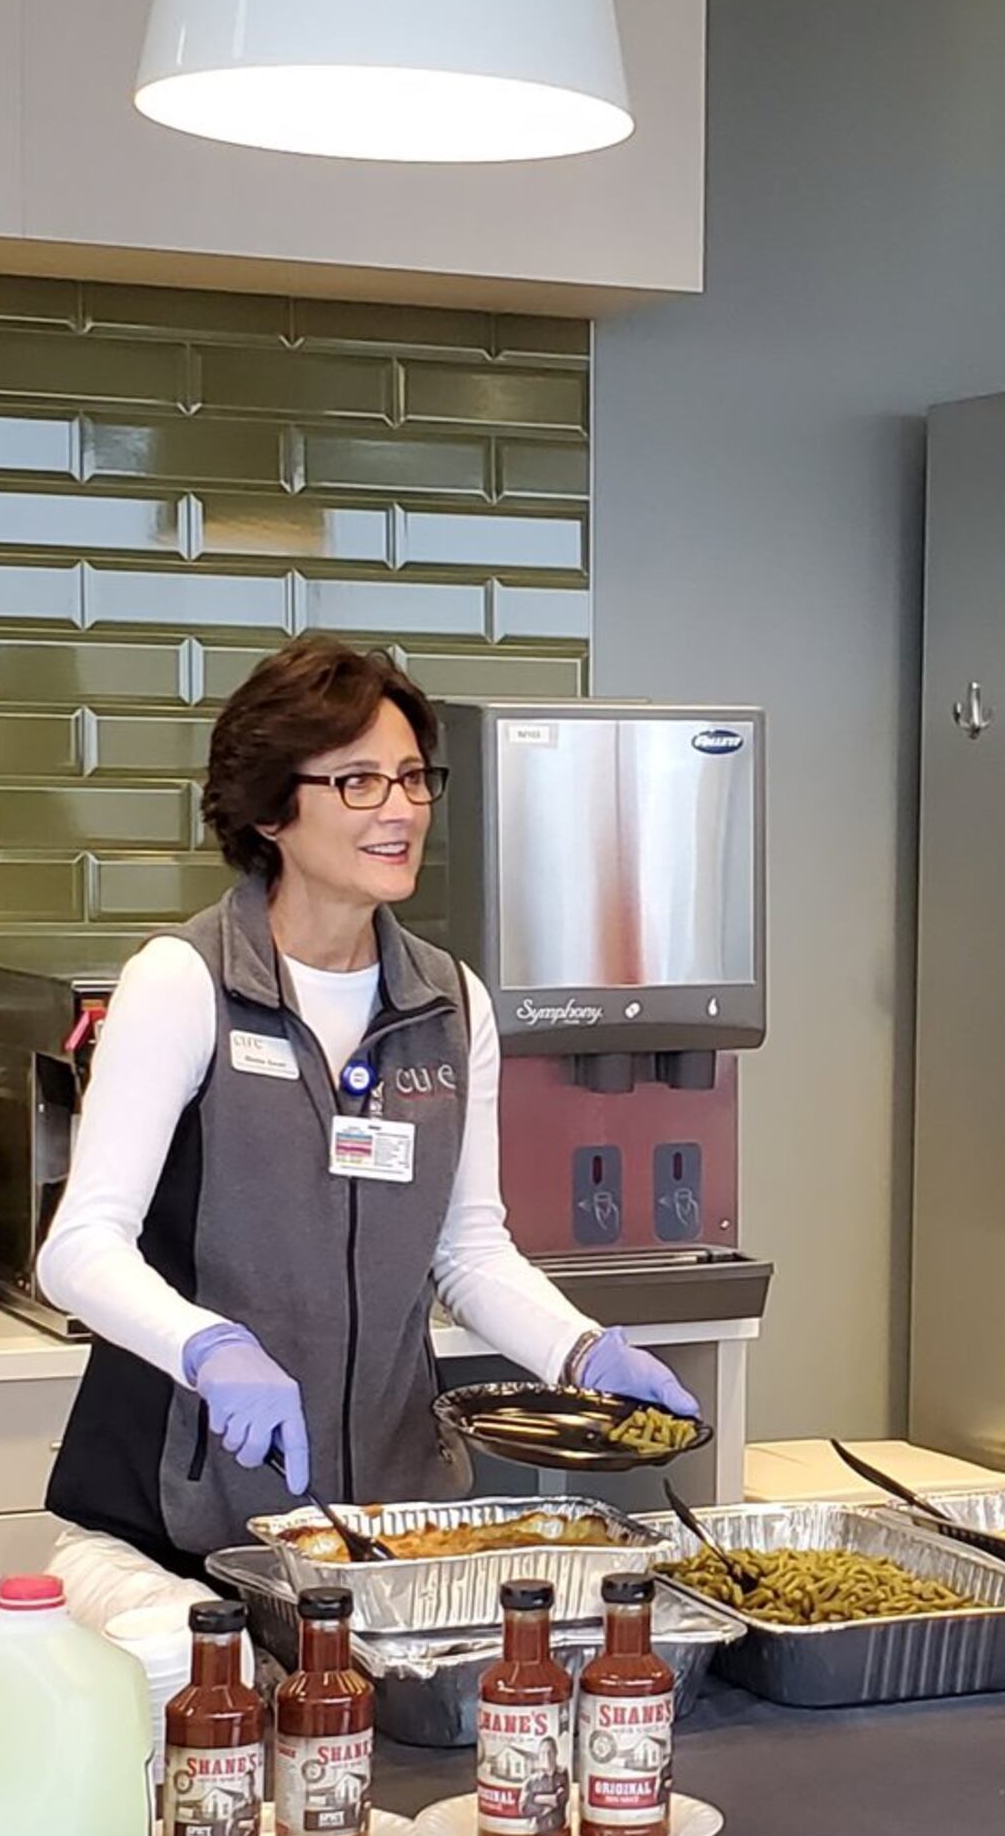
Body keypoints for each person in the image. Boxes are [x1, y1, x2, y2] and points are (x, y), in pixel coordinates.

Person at [38, 638, 698, 1626]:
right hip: (187, 1541)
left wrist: (581, 1351)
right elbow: (80, 1249)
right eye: (355, 781)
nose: (398, 809)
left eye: (409, 778)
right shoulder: (184, 984)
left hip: (389, 1539)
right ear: (271, 807)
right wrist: (211, 1349)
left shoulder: (449, 1002)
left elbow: (467, 1250)